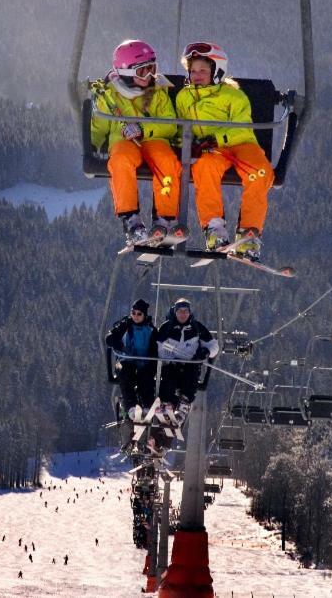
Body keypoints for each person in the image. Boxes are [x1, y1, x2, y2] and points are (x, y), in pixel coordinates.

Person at [175, 41, 275, 261]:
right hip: (212, 152)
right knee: (204, 168)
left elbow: (242, 126)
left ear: (216, 71)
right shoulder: (184, 97)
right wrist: (186, 141)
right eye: (193, 71)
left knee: (259, 172)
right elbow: (180, 124)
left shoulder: (233, 96)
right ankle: (214, 229)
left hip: (241, 145)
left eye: (203, 70)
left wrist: (217, 138)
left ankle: (249, 233)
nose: (197, 75)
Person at [90, 39, 183, 245]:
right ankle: (131, 220)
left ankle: (165, 218)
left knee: (167, 161)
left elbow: (170, 124)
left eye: (152, 69)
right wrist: (92, 146)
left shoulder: (158, 92)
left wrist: (143, 129)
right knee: (120, 161)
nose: (150, 76)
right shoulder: (110, 96)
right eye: (143, 71)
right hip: (124, 142)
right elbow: (99, 128)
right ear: (127, 73)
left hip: (155, 140)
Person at [155, 298, 219, 424]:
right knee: (168, 377)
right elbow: (157, 346)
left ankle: (183, 405)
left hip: (190, 365)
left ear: (190, 313)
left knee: (192, 375)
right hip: (172, 364)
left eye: (186, 311)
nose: (183, 314)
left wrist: (206, 352)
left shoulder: (197, 328)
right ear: (175, 312)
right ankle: (166, 403)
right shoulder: (166, 328)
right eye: (180, 311)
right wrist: (167, 357)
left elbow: (214, 345)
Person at [105, 299, 159, 416]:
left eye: (139, 314)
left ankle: (146, 406)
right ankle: (131, 406)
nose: (135, 316)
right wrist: (118, 344)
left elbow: (156, 349)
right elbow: (109, 339)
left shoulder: (150, 330)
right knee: (125, 374)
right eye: (133, 313)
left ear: (144, 315)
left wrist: (153, 366)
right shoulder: (125, 325)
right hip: (125, 361)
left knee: (147, 377)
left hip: (144, 363)